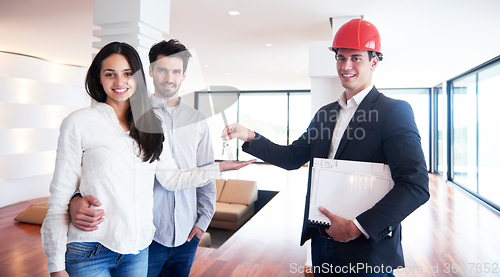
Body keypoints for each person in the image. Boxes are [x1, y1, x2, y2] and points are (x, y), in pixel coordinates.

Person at [222, 19, 430, 276]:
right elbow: (293, 157)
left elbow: (415, 185)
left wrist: (357, 227)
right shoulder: (326, 114)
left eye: (356, 58)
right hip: (322, 242)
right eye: (341, 58)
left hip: (365, 249)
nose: (346, 66)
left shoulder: (394, 111)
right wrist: (249, 135)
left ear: (374, 62)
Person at [41, 42, 253, 277]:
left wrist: (218, 169)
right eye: (110, 74)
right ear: (98, 78)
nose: (120, 82)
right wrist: (56, 265)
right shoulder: (80, 122)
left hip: (138, 248)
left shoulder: (152, 124)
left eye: (128, 74)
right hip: (92, 248)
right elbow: (61, 194)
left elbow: (171, 178)